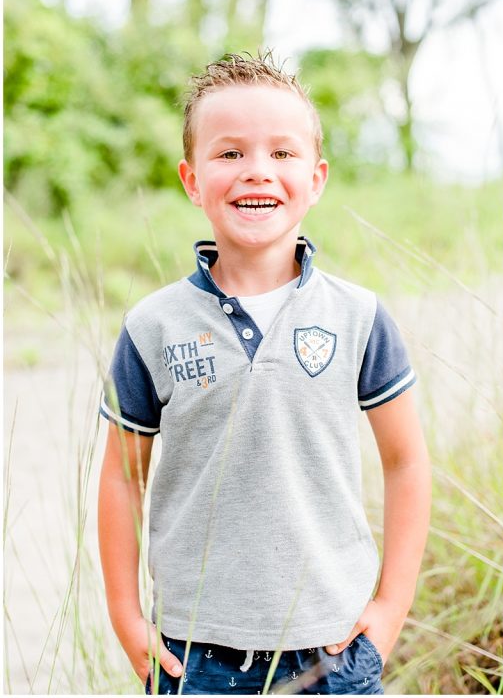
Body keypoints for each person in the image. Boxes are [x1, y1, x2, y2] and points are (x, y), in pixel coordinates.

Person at [97, 52, 431, 695]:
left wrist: (389, 609)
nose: (258, 172)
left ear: (317, 177)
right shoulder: (152, 325)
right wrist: (127, 620)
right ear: (192, 180)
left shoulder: (359, 316)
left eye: (282, 153)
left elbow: (407, 461)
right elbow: (122, 476)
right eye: (230, 154)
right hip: (194, 655)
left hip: (332, 648)